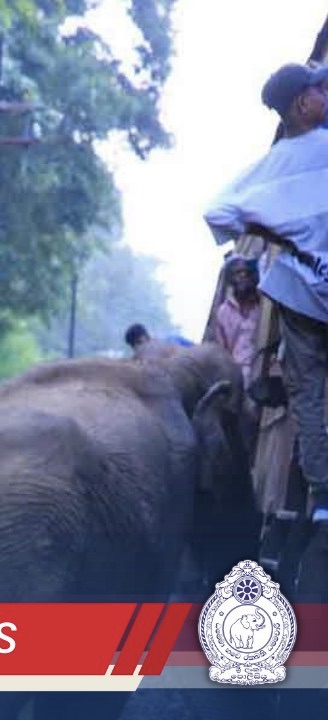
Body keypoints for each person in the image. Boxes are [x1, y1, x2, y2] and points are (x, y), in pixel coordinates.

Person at [204, 62, 328, 600]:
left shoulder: (273, 166)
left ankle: (323, 494)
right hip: (312, 291)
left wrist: (270, 224)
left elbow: (219, 212)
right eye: (321, 90)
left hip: (302, 293)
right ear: (303, 104)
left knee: (309, 395)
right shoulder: (319, 151)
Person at [212, 255, 262, 388]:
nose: (242, 276)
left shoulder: (261, 307)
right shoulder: (223, 312)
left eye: (245, 272)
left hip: (261, 371)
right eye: (237, 273)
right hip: (237, 375)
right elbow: (223, 351)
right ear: (230, 280)